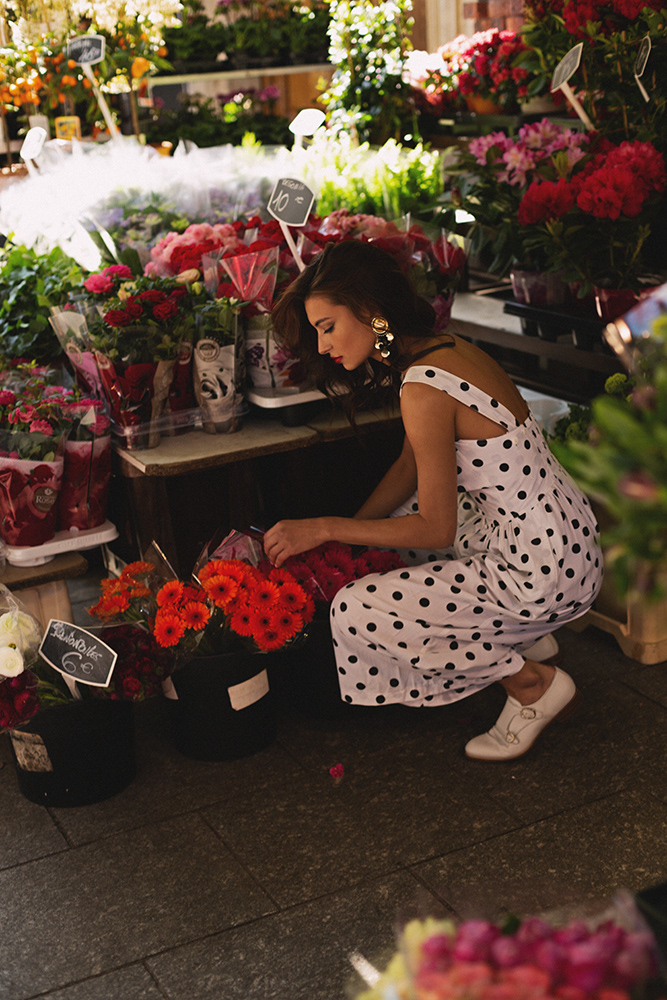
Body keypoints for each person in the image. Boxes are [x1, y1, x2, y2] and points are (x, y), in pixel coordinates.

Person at [263, 240, 602, 760]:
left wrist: (325, 527)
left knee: (357, 611)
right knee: (392, 527)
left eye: (327, 327)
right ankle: (526, 636)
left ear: (369, 310)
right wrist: (350, 539)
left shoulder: (422, 388)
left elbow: (435, 529)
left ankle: (530, 683)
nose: (323, 345)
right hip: (562, 534)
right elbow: (409, 467)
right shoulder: (442, 349)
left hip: (543, 568)